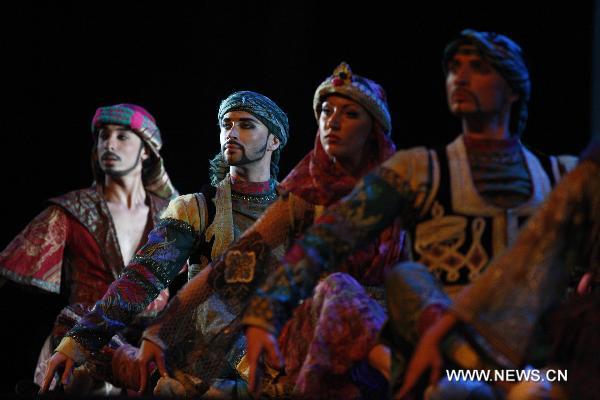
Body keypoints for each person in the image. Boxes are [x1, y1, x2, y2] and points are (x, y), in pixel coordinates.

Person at [242, 29, 577, 396]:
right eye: (454, 68)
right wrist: (265, 309)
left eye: (478, 68)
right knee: (374, 285)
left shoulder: (559, 175)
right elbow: (303, 246)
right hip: (345, 335)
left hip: (463, 336)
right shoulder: (412, 175)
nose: (460, 78)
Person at [137, 62, 407, 399]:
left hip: (378, 331)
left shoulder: (406, 186)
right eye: (325, 111)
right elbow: (227, 266)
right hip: (291, 338)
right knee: (332, 288)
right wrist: (161, 328)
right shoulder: (304, 196)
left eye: (350, 113)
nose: (333, 122)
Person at [38, 91, 289, 394]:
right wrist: (77, 343)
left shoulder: (297, 211)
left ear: (274, 141)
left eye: (246, 125)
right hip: (207, 352)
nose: (231, 133)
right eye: (226, 123)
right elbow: (142, 278)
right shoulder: (197, 209)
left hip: (277, 353)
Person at [396, 139, 600, 400]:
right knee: (406, 279)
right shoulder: (591, 169)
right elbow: (534, 247)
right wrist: (441, 329)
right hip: (519, 346)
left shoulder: (563, 170)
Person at [0, 103, 177, 394]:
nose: (109, 143)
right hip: (81, 344)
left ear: (147, 150)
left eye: (122, 136)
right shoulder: (70, 211)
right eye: (103, 135)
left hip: (151, 348)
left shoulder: (173, 217)